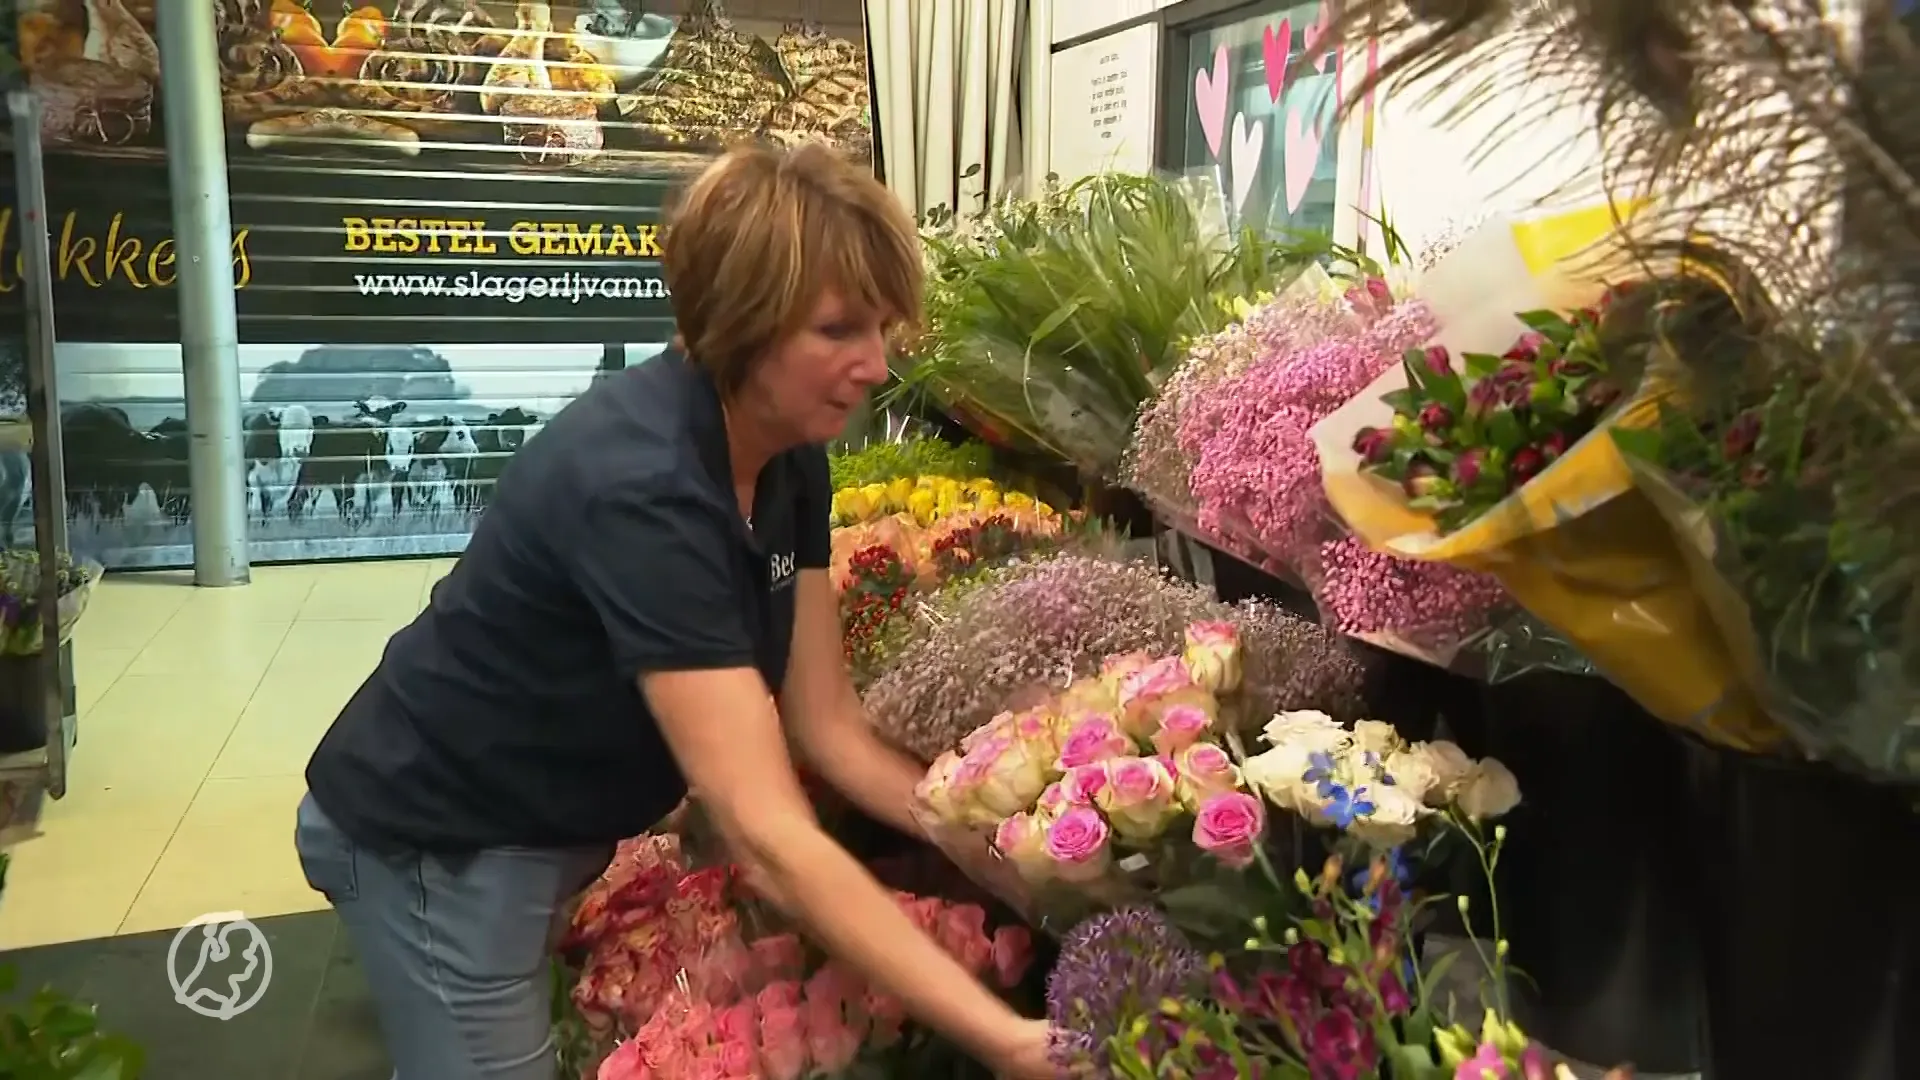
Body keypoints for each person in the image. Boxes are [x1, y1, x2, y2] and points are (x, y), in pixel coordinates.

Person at [294, 142, 1057, 1080]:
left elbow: (826, 727)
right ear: (743, 322)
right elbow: (767, 835)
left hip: (544, 822)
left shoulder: (790, 458)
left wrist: (1012, 845)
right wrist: (1007, 1038)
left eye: (883, 327)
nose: (874, 363)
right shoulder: (644, 486)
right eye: (837, 330)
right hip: (442, 840)